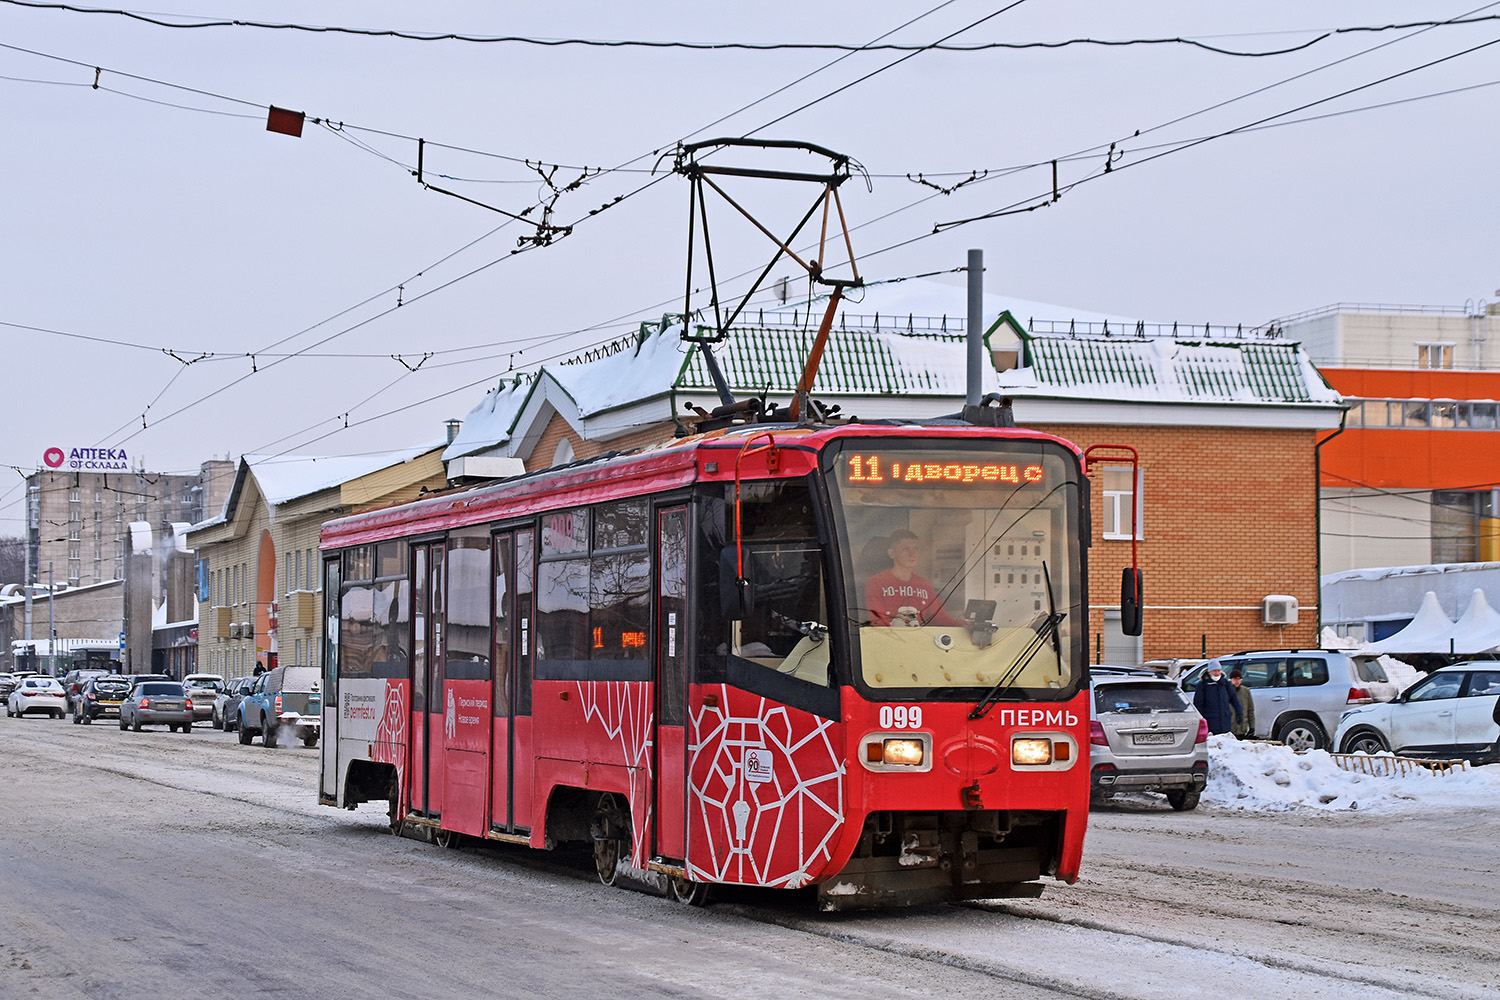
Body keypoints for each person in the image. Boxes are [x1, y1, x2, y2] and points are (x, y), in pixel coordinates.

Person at [864, 529, 958, 627]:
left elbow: (940, 619)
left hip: (918, 636)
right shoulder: (876, 582)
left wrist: (964, 624)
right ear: (892, 553)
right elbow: (877, 622)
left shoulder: (924, 585)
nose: (912, 554)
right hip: (889, 636)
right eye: (905, 549)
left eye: (915, 548)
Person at [1193, 662, 1243, 736]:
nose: (1216, 673)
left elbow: (1234, 699)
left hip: (1225, 722)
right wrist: (1201, 719)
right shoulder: (1203, 685)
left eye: (1218, 671)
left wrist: (1239, 713)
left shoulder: (1225, 683)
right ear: (1209, 672)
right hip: (1210, 722)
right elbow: (1198, 703)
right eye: (1214, 671)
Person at [1229, 667, 1256, 739]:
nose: (1237, 681)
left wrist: (1252, 727)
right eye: (1235, 679)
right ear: (1231, 679)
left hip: (1242, 728)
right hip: (1230, 729)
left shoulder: (1246, 691)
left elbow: (1250, 710)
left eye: (1239, 679)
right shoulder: (1226, 691)